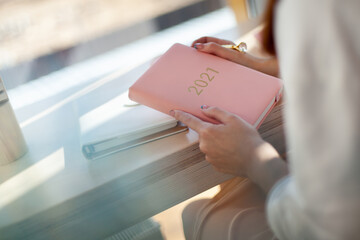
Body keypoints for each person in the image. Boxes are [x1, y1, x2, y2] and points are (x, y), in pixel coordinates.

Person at [170, 0, 360, 239]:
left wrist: (253, 159)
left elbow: (332, 225)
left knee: (197, 213)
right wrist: (257, 65)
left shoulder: (317, 9)